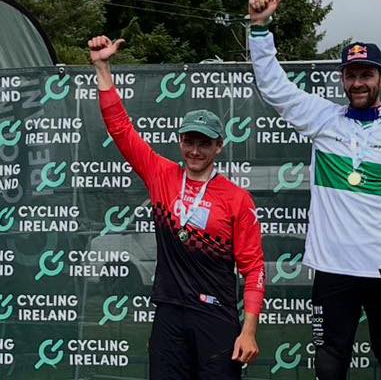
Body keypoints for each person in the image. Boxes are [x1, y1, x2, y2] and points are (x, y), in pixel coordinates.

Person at [247, 0, 381, 380]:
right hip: (333, 269)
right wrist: (260, 28)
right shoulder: (323, 118)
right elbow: (275, 88)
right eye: (351, 75)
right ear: (342, 79)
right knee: (329, 362)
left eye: (366, 75)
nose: (358, 83)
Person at [89, 35, 265, 380]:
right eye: (189, 141)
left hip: (216, 317)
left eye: (204, 143)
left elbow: (254, 268)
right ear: (180, 140)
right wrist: (102, 67)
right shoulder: (161, 175)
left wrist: (248, 331)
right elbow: (121, 129)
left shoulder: (236, 198)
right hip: (170, 313)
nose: (195, 151)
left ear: (218, 147)